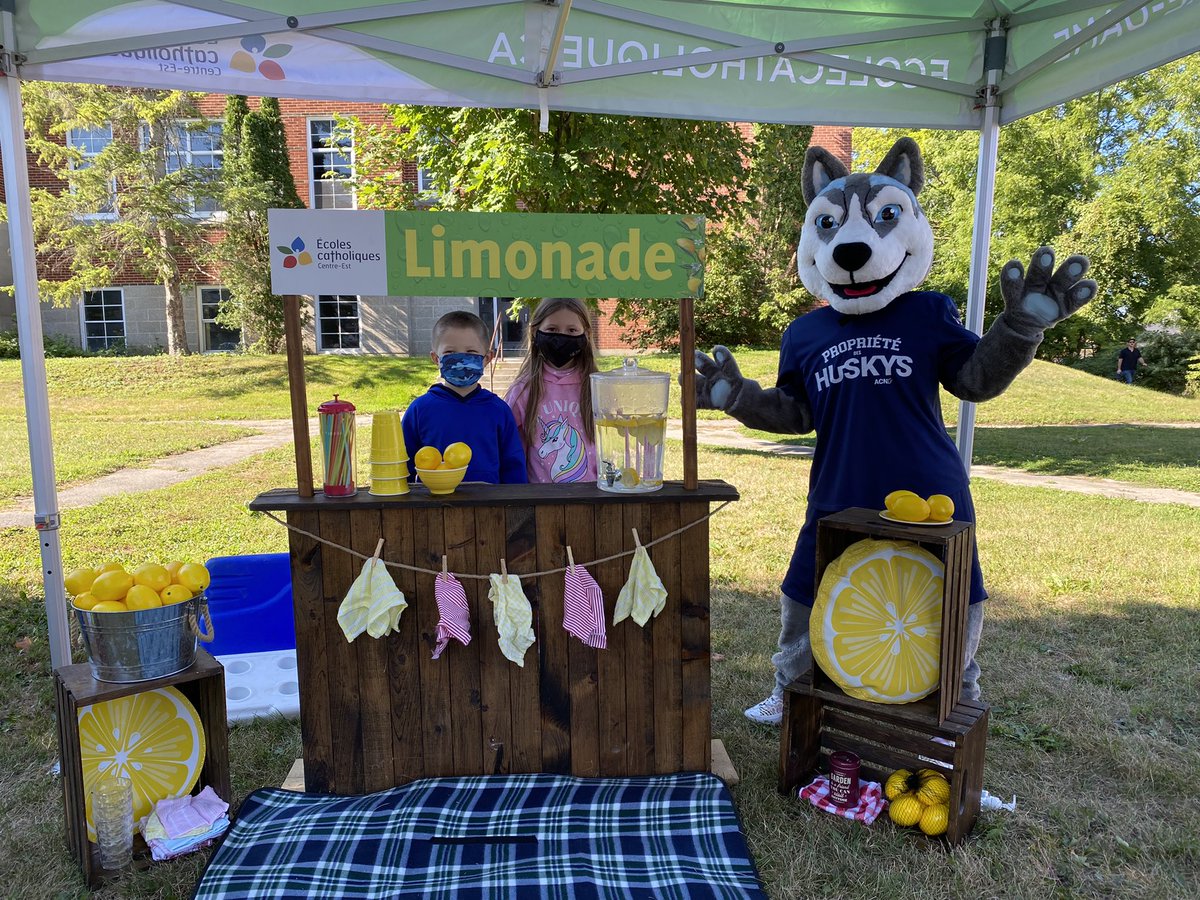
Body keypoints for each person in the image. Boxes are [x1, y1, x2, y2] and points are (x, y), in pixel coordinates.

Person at [402, 310, 527, 484]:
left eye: (471, 351)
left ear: (488, 358)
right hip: (432, 506)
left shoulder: (499, 410)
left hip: (492, 505)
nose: (461, 358)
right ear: (435, 358)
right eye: (450, 352)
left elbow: (513, 466)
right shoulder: (419, 409)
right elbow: (403, 465)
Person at [505, 298, 599, 484]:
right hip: (540, 501)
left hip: (594, 499)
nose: (561, 337)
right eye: (552, 330)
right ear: (535, 331)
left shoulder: (599, 387)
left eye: (572, 330)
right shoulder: (522, 391)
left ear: (586, 334)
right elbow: (509, 449)